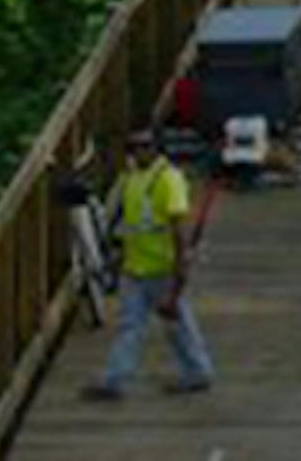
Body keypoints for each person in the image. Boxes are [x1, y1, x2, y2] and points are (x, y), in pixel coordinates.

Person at [82, 128, 214, 400]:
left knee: (177, 323)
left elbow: (178, 227)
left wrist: (180, 270)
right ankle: (114, 380)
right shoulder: (133, 178)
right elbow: (132, 224)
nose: (139, 152)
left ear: (157, 148)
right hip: (136, 266)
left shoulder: (168, 179)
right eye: (133, 147)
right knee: (130, 325)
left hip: (163, 267)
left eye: (145, 146)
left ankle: (199, 371)